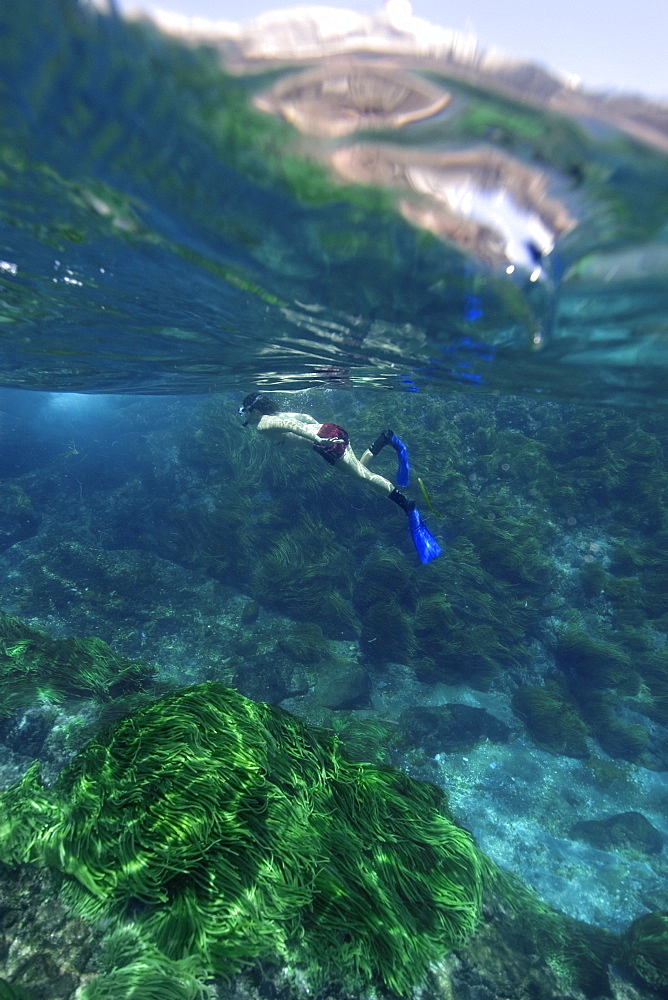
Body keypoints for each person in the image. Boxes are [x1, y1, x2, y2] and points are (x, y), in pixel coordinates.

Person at [238, 392, 441, 563]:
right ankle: (386, 439)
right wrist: (321, 431)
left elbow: (292, 427)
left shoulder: (263, 424)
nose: (244, 416)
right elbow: (305, 417)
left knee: (365, 477)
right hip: (330, 429)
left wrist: (318, 439)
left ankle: (407, 506)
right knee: (360, 470)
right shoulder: (277, 413)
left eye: (244, 411)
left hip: (325, 442)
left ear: (253, 410)